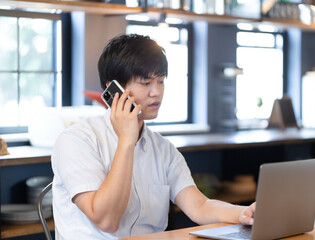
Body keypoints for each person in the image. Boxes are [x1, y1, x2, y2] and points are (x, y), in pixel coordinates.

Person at [51, 34, 256, 239]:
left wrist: (242, 213)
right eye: (146, 82)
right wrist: (126, 142)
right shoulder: (76, 141)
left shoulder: (163, 148)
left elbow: (199, 206)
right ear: (113, 89)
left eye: (160, 81)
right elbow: (106, 221)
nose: (156, 92)